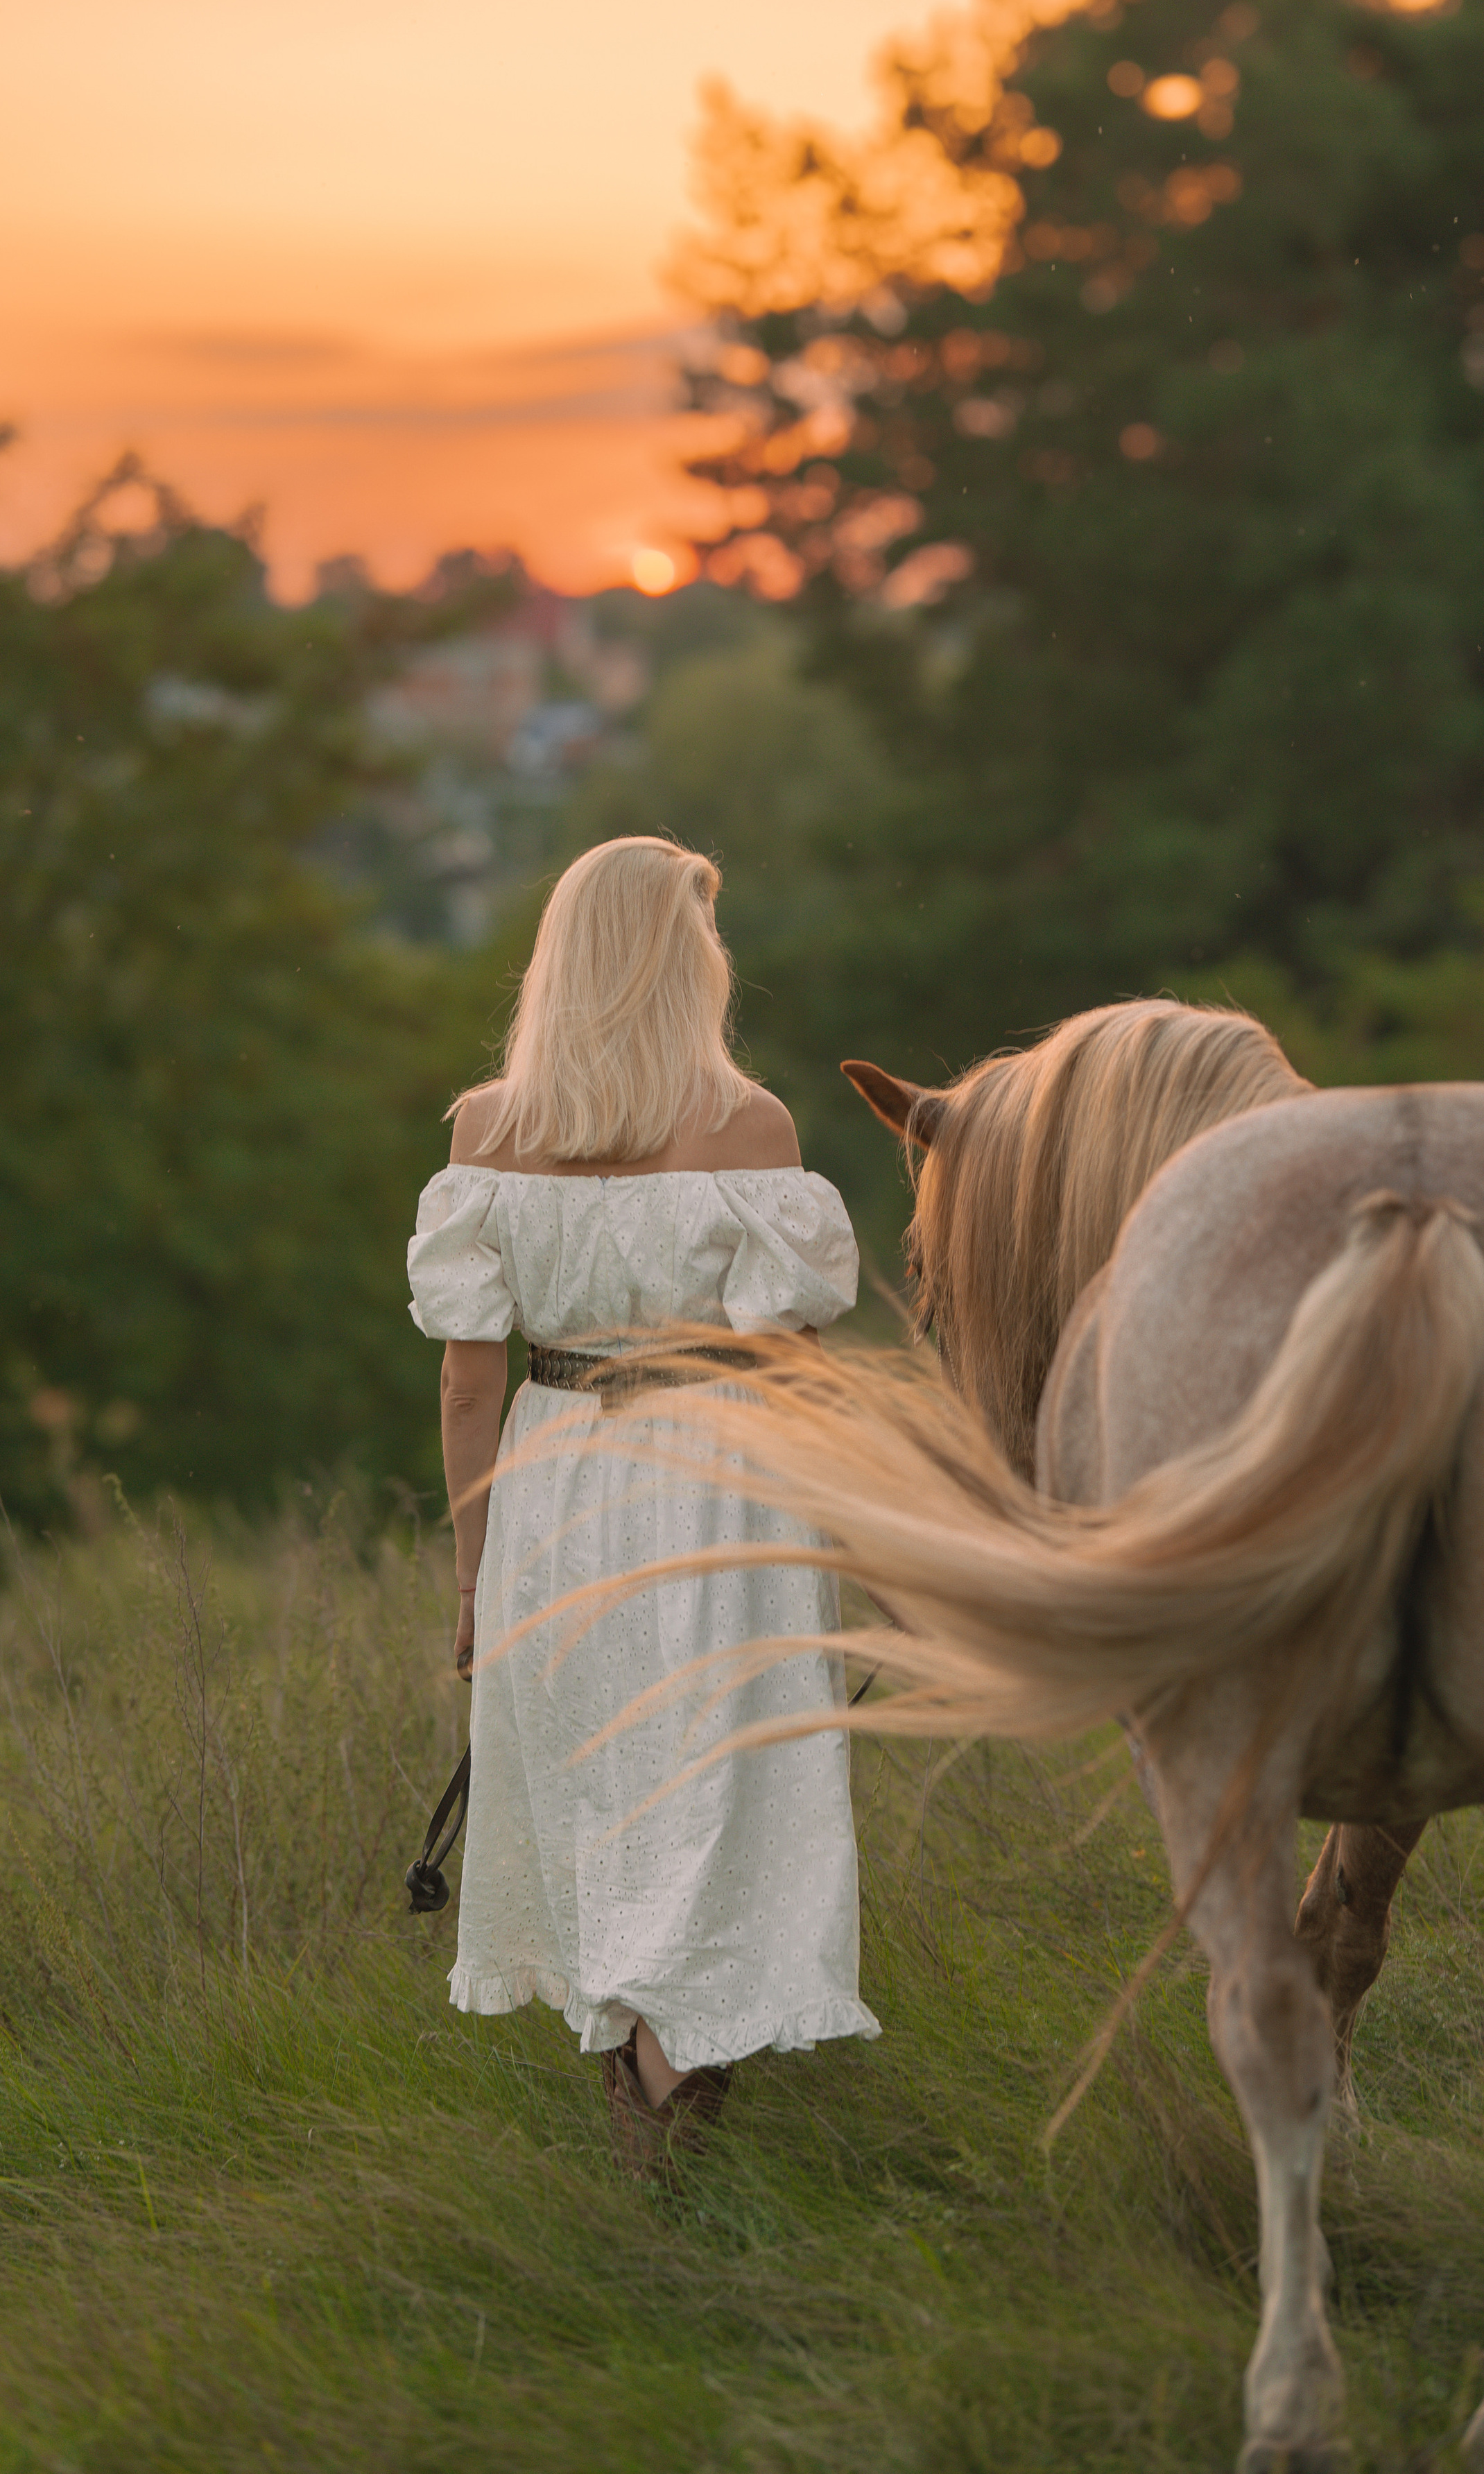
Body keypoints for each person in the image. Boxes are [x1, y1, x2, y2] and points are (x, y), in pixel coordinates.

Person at [406, 836, 879, 2175]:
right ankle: (675, 2101)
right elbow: (790, 1364)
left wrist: (470, 1579)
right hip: (718, 1480)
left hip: (554, 1479)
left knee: (594, 1787)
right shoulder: (752, 1128)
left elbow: (465, 1380)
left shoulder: (489, 1132)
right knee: (714, 1789)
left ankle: (647, 2094)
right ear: (691, 962)